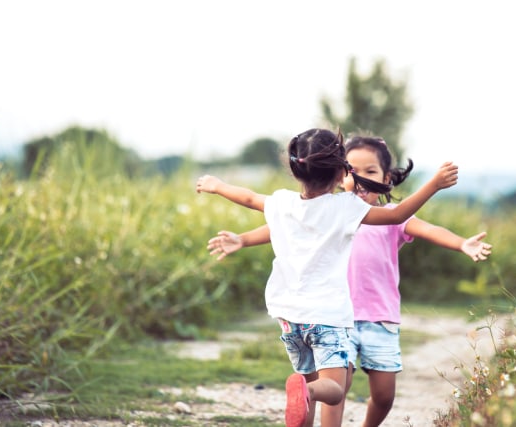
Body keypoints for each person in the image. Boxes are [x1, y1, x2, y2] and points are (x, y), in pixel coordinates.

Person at [204, 134, 492, 427]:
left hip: (343, 317)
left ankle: (312, 397)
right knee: (334, 388)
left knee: (369, 394)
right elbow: (279, 228)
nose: (361, 177)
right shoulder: (344, 209)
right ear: (342, 175)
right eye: (354, 170)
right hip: (336, 318)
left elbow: (252, 200)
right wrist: (434, 185)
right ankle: (312, 398)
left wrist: (218, 187)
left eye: (370, 171)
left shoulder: (298, 204)